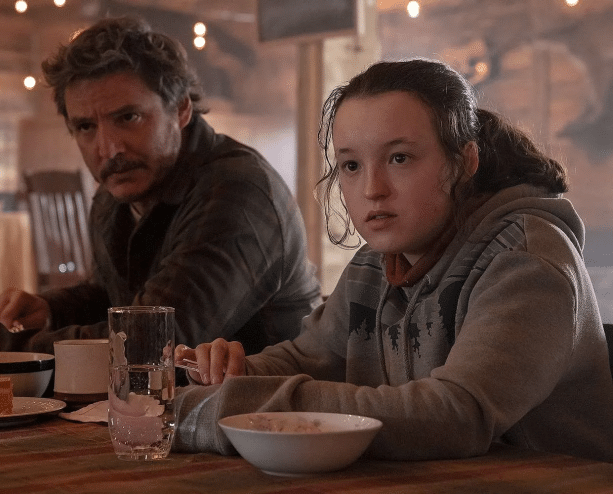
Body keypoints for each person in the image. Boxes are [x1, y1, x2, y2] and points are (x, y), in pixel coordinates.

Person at [172, 58, 613, 462]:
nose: (372, 189)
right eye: (351, 166)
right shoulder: (375, 265)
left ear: (464, 162)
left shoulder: (526, 261)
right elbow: (308, 358)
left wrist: (239, 406)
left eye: (399, 158)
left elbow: (457, 416)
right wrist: (233, 371)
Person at [0, 16, 321, 389]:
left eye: (128, 117)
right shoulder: (118, 191)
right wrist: (52, 308)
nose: (108, 148)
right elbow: (116, 294)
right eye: (86, 127)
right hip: (158, 418)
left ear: (181, 109)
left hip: (257, 430)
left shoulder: (237, 193)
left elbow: (150, 345)